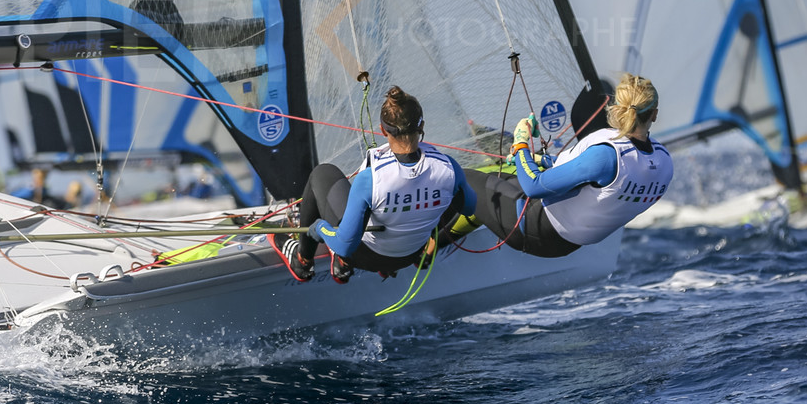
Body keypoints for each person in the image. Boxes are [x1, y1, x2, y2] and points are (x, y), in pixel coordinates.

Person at [455, 73, 673, 256]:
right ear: (654, 114)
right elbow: (595, 182)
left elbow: (534, 186)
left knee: (458, 177)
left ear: (617, 108)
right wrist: (541, 159)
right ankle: (443, 239)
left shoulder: (607, 156)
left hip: (533, 227)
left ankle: (432, 244)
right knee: (499, 179)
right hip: (567, 243)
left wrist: (521, 143)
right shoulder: (664, 162)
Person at [276, 86, 476, 283]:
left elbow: (344, 245)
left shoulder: (370, 179)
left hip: (362, 256)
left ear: (382, 129)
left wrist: (320, 228)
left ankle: (303, 260)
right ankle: (343, 265)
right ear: (422, 125)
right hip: (410, 255)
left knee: (322, 173)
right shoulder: (449, 168)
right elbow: (468, 207)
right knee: (449, 192)